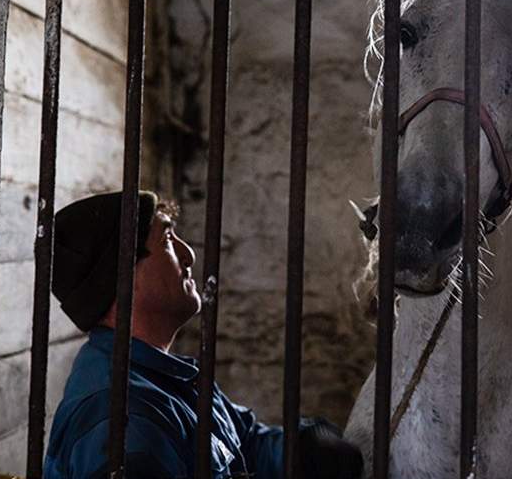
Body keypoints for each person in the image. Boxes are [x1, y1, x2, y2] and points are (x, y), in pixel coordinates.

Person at [43, 191, 363, 479]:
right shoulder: (125, 419)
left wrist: (302, 450)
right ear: (124, 277)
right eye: (167, 240)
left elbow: (244, 442)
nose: (189, 255)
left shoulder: (166, 377)